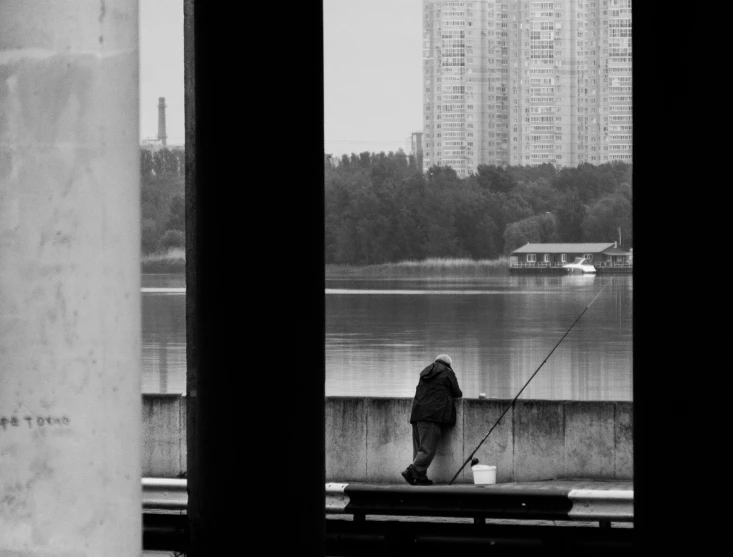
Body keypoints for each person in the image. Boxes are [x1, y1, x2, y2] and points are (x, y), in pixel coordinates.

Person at [401, 354, 462, 486]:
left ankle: (420, 478)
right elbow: (457, 393)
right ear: (449, 364)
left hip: (417, 415)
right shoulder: (447, 372)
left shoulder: (426, 371)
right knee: (428, 449)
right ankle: (411, 471)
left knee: (419, 449)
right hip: (432, 416)